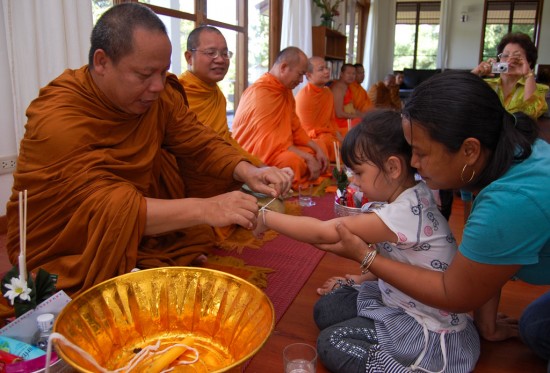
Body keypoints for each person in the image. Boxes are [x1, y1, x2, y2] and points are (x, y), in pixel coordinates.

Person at [5, 3, 293, 296]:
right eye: (144, 75)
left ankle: (139, 253)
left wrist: (248, 170)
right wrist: (208, 208)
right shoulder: (59, 119)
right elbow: (103, 206)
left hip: (128, 216)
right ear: (102, 62)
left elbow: (197, 139)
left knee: (172, 179)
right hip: (68, 244)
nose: (157, 86)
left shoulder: (158, 99)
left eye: (164, 72)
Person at [315, 71, 550, 369]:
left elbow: (455, 294)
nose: (412, 163)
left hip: (441, 317)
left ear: (469, 149)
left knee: (535, 329)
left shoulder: (512, 200)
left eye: (421, 153)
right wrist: (487, 327)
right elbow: (486, 259)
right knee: (329, 310)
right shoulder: (489, 160)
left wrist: (365, 257)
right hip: (420, 306)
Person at [255, 109, 480, 373]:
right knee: (326, 309)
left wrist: (265, 217)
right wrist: (358, 278)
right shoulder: (411, 195)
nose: (353, 180)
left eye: (359, 173)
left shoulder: (401, 213)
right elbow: (398, 257)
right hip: (402, 298)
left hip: (426, 323)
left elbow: (323, 233)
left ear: (393, 167)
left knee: (331, 342)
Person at [178, 25, 265, 241]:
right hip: (190, 179)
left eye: (225, 53)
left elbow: (224, 139)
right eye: (210, 53)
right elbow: (188, 147)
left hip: (220, 170)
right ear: (189, 56)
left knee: (269, 198)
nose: (220, 59)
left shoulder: (216, 94)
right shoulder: (177, 94)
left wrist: (256, 165)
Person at [232, 47, 329, 188]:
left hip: (279, 147)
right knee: (292, 161)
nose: (301, 80)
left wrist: (317, 150)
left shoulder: (285, 91)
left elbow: (296, 128)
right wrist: (306, 157)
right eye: (300, 74)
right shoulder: (261, 92)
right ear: (283, 67)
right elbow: (269, 142)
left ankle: (297, 174)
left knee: (319, 146)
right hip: (257, 153)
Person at [472, 32, 548, 119]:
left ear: (529, 62)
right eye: (505, 55)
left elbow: (531, 114)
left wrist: (528, 74)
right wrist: (474, 73)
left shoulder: (540, 89)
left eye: (517, 57)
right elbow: (457, 99)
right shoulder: (485, 85)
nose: (509, 61)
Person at [295, 56, 343, 163]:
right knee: (324, 144)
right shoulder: (304, 96)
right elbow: (306, 130)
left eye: (327, 68)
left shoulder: (328, 93)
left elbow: (331, 120)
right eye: (321, 69)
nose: (326, 71)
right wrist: (328, 135)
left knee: (348, 139)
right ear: (309, 75)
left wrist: (339, 136)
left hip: (327, 134)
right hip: (312, 138)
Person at [330, 64, 368, 136]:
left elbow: (350, 108)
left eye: (353, 73)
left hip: (347, 119)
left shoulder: (347, 87)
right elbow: (339, 114)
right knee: (364, 126)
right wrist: (357, 117)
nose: (351, 76)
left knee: (369, 120)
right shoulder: (338, 89)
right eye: (348, 73)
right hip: (339, 124)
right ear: (341, 74)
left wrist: (364, 115)